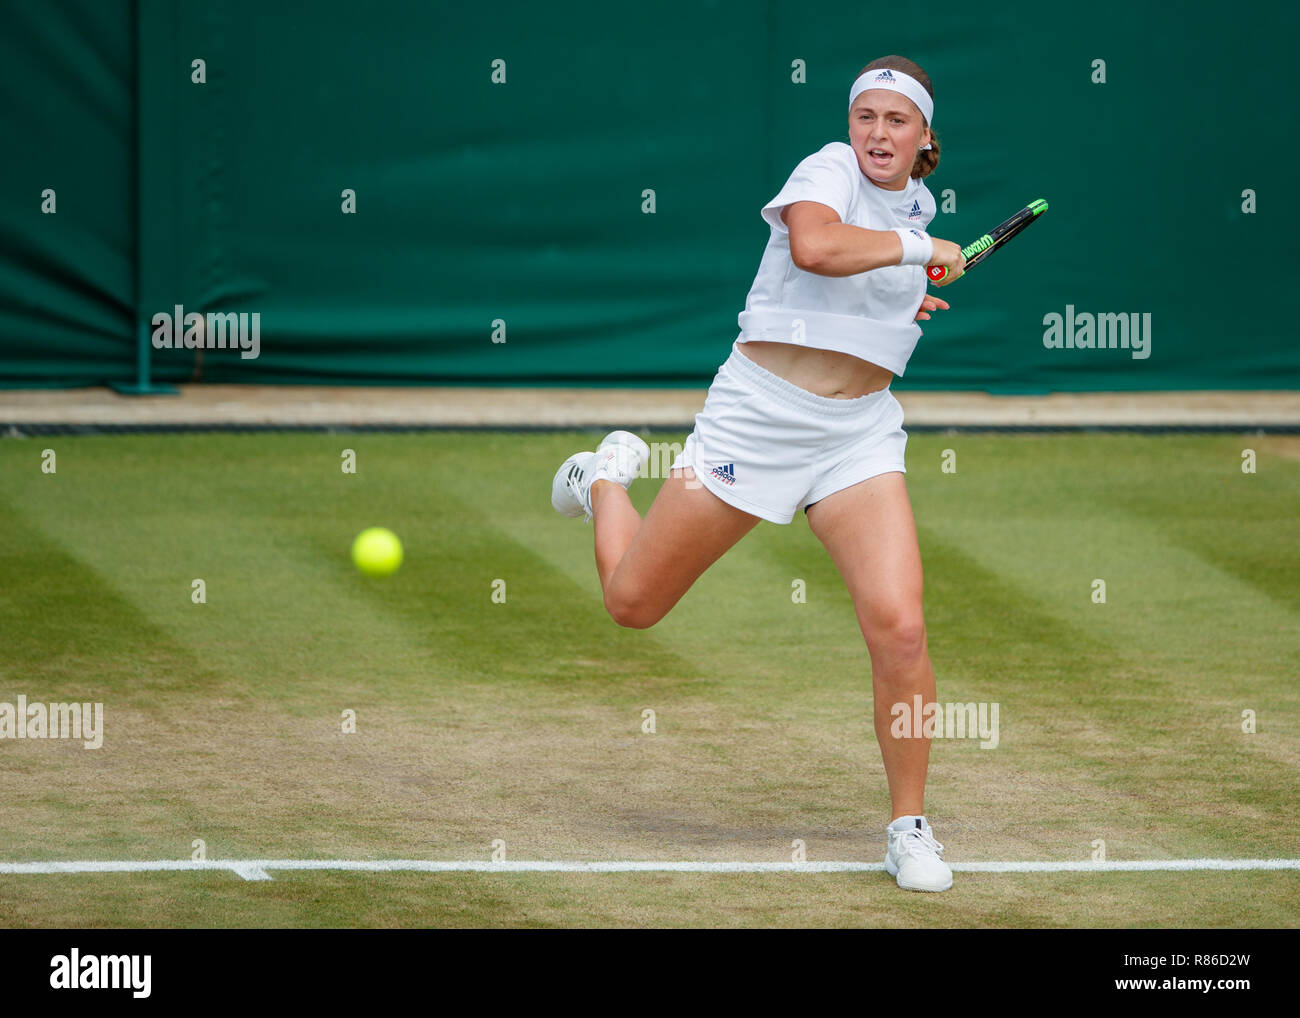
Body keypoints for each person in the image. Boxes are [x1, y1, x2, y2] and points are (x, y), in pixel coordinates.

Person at [550, 55, 965, 892]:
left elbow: (861, 284)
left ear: (925, 137)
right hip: (760, 419)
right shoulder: (829, 169)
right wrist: (915, 252)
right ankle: (605, 477)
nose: (877, 135)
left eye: (896, 122)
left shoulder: (916, 206)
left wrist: (903, 290)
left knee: (902, 628)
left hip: (858, 435)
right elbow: (812, 246)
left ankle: (909, 828)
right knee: (633, 605)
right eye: (866, 117)